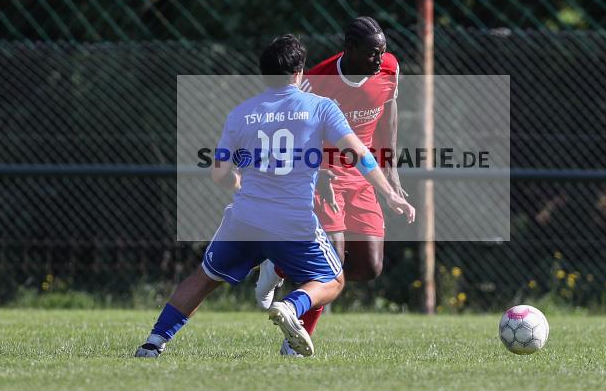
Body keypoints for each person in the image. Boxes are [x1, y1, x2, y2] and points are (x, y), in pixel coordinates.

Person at [135, 34, 414, 358]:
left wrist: (238, 183)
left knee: (204, 278)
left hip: (244, 219)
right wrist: (390, 194)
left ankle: (153, 343)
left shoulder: (241, 114)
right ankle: (291, 306)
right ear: (299, 72)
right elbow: (361, 155)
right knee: (332, 279)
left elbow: (219, 173)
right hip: (293, 222)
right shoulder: (320, 107)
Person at [255, 17, 406, 355]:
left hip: (362, 174)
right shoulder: (317, 81)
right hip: (322, 175)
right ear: (349, 49)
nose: (379, 59)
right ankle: (294, 344)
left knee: (369, 267)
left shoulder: (389, 68)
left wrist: (391, 171)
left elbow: (389, 112)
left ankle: (279, 263)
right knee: (330, 267)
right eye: (372, 53)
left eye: (382, 51)